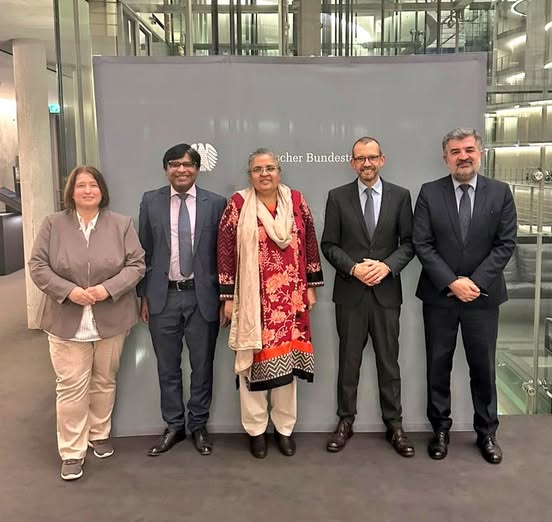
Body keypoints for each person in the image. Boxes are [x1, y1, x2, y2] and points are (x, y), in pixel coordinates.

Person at [29, 166, 145, 481]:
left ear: (101, 190)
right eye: (80, 185)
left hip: (112, 317)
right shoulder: (52, 224)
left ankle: (99, 433)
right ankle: (71, 450)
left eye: (93, 185)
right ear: (71, 192)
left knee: (104, 380)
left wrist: (107, 289)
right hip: (66, 319)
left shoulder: (121, 224)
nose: (87, 190)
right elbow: (37, 266)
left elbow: (137, 265)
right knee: (71, 386)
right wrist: (69, 291)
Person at [413, 128, 517, 464]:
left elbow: (505, 244)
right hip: (440, 297)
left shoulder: (500, 192)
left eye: (469, 149)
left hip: (482, 298)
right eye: (455, 151)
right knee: (437, 365)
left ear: (480, 153)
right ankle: (440, 430)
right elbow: (422, 243)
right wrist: (451, 282)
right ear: (445, 158)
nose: (463, 156)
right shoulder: (429, 193)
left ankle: (486, 432)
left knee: (483, 368)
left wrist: (474, 282)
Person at [218, 148, 323, 458]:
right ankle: (255, 430)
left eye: (270, 168)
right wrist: (227, 297)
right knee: (251, 366)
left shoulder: (296, 201)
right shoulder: (238, 204)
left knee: (286, 366)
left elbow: (310, 242)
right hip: (253, 302)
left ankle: (284, 429)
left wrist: (311, 286)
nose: (264, 174)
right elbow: (225, 250)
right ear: (250, 174)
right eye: (257, 169)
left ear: (279, 171)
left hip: (291, 299)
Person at [321, 136, 415, 457]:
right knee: (349, 363)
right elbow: (329, 244)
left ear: (381, 160)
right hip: (351, 295)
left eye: (372, 157)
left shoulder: (401, 196)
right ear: (352, 163)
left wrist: (387, 267)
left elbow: (409, 243)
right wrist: (353, 268)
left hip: (386, 295)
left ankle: (395, 425)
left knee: (389, 363)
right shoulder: (337, 197)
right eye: (360, 158)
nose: (367, 163)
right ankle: (345, 421)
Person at [138, 143, 226, 457]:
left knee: (202, 366)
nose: (181, 169)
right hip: (162, 297)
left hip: (203, 298)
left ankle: (198, 425)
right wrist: (143, 295)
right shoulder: (150, 201)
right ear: (166, 170)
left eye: (188, 164)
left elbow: (224, 255)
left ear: (197, 169)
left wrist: (226, 297)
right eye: (174, 164)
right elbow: (144, 252)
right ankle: (174, 425)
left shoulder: (216, 203)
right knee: (167, 367)